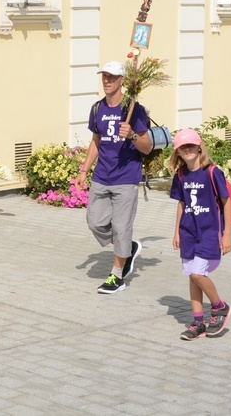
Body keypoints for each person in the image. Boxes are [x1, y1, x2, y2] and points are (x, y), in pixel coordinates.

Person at [76, 61, 153, 294]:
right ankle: (126, 246)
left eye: (112, 77)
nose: (107, 80)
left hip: (126, 178)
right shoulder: (97, 108)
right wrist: (83, 170)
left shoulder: (133, 109)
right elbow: (95, 141)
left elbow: (147, 147)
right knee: (95, 223)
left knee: (121, 227)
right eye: (104, 76)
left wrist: (131, 135)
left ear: (122, 81)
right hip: (102, 176)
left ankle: (117, 276)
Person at [167, 128, 231, 340]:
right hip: (188, 232)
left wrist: (227, 234)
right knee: (192, 278)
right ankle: (198, 321)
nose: (187, 150)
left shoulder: (213, 172)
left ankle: (219, 307)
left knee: (198, 274)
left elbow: (226, 202)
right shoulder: (180, 174)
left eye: (191, 146)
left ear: (199, 147)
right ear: (177, 152)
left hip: (208, 232)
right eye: (182, 147)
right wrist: (176, 231)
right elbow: (182, 204)